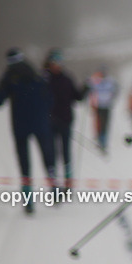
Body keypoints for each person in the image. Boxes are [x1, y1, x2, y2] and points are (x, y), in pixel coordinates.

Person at [0, 48, 56, 214]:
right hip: (41, 123)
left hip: (20, 126)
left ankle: (29, 201)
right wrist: (45, 113)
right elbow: (50, 99)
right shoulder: (37, 74)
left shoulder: (9, 77)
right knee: (47, 156)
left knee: (25, 163)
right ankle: (55, 189)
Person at [43, 49, 88, 189]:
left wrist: (86, 88)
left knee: (66, 153)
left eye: (60, 62)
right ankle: (54, 185)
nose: (57, 65)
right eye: (55, 62)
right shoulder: (43, 79)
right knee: (51, 153)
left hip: (65, 121)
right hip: (48, 122)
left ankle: (68, 184)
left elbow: (77, 97)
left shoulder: (67, 78)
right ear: (49, 63)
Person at [88, 67, 119, 153]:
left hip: (106, 106)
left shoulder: (110, 81)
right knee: (98, 124)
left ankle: (104, 142)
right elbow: (90, 90)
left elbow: (115, 91)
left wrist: (112, 98)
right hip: (98, 106)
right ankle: (99, 140)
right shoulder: (95, 81)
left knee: (105, 125)